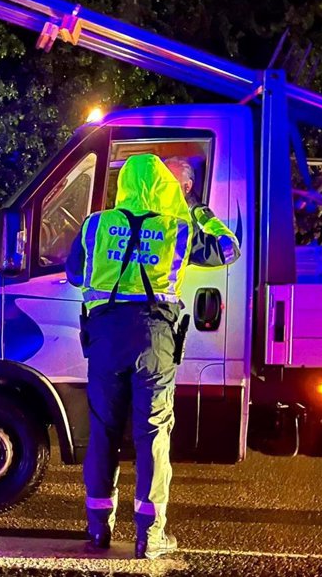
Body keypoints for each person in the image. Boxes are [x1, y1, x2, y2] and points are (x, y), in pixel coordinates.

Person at [65, 153, 240, 560]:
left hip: (105, 337)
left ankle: (97, 530)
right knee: (153, 434)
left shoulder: (96, 226)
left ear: (124, 184)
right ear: (161, 185)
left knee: (104, 432)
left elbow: (75, 274)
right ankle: (150, 535)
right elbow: (229, 249)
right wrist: (199, 211)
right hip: (155, 339)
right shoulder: (175, 229)